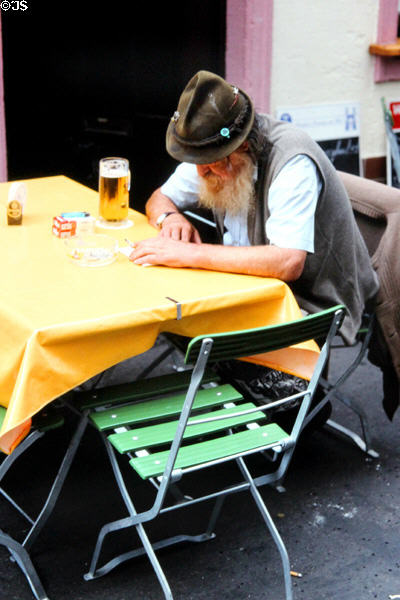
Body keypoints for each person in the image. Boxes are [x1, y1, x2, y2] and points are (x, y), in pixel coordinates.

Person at [129, 70, 378, 350]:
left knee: (192, 332)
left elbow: (288, 262)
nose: (201, 172)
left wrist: (190, 253)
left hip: (313, 303)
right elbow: (158, 198)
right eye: (197, 161)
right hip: (245, 289)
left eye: (211, 163)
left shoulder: (293, 163)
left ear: (243, 146)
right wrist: (169, 217)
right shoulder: (209, 151)